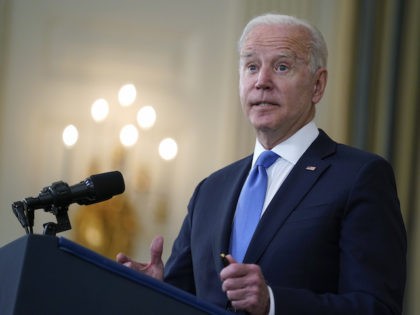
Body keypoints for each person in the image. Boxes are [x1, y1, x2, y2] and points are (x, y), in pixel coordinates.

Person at [117, 13, 407, 315]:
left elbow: (377, 308)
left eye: (282, 67)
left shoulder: (359, 176)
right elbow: (185, 296)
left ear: (318, 85)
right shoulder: (211, 190)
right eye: (252, 66)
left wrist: (273, 303)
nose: (262, 82)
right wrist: (154, 290)